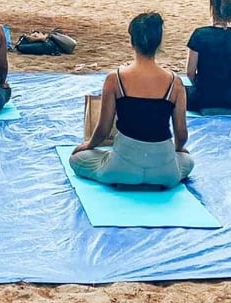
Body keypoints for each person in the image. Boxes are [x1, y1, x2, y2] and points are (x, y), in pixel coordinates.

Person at [71, 12, 194, 188]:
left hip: (121, 168)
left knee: (77, 158)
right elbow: (181, 134)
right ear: (159, 42)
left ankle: (129, 178)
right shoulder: (175, 83)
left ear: (132, 41)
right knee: (187, 160)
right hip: (164, 172)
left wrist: (89, 145)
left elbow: (103, 130)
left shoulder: (115, 79)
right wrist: (177, 150)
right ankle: (154, 177)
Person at [185, 0, 231, 113]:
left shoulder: (199, 34)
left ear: (213, 10)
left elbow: (190, 72)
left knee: (182, 91)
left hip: (201, 99)